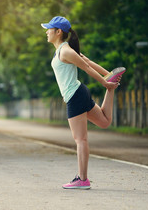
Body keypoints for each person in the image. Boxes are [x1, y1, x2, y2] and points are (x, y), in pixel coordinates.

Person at [41, 16, 125, 190]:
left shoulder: (65, 51)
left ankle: (82, 179)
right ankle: (110, 91)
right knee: (104, 122)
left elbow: (86, 67)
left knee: (80, 139)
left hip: (75, 96)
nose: (46, 32)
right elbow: (87, 61)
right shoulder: (64, 50)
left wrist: (105, 81)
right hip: (79, 93)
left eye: (49, 29)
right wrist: (108, 77)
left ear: (58, 32)